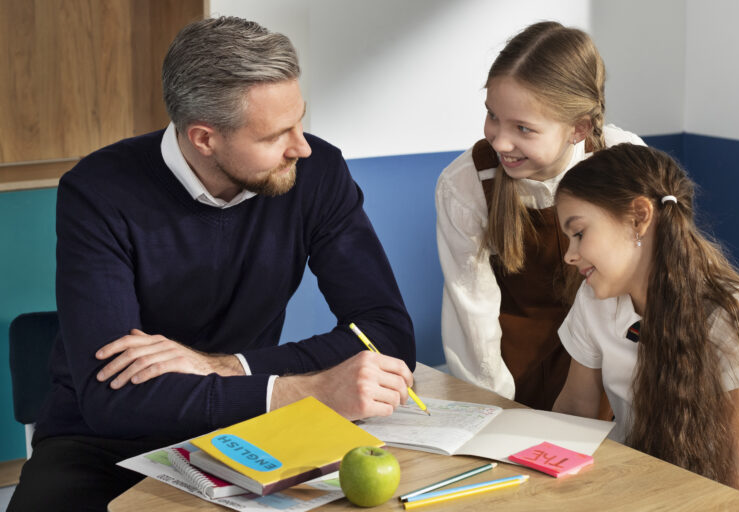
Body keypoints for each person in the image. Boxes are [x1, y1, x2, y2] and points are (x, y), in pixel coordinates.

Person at [9, 16, 415, 511]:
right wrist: (293, 389)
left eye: (301, 119)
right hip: (100, 442)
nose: (301, 146)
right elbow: (113, 401)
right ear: (204, 138)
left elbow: (386, 335)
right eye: (275, 135)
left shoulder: (317, 172)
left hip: (251, 428)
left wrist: (226, 366)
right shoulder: (98, 191)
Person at [436, 21, 643, 409]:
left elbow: (645, 290)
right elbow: (473, 317)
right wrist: (495, 413)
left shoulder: (624, 161)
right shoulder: (464, 184)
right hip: (512, 369)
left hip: (607, 364)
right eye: (492, 115)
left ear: (578, 128)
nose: (499, 140)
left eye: (524, 128)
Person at [553, 143, 739, 496]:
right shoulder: (594, 299)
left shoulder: (734, 313)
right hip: (623, 486)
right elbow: (576, 407)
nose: (569, 255)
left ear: (639, 217)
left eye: (578, 234)